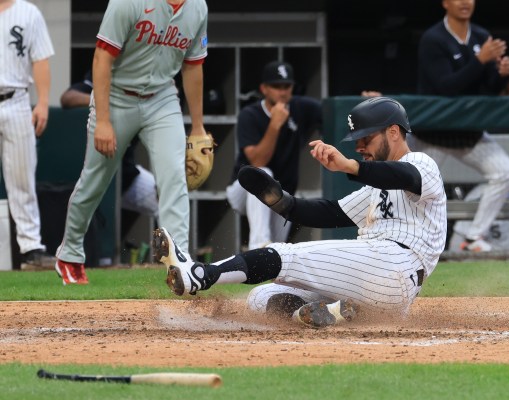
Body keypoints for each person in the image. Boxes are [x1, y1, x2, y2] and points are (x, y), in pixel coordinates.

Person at [153, 97, 447, 328]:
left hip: (396, 265)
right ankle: (323, 315)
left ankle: (200, 274)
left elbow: (403, 176)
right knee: (261, 298)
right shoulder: (376, 185)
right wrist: (283, 203)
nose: (358, 147)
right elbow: (330, 213)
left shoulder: (422, 164)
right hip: (375, 288)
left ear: (393, 132)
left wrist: (348, 166)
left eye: (365, 138)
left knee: (285, 255)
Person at [55, 0, 209, 285]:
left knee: (174, 178)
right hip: (116, 96)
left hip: (162, 98)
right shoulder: (129, 2)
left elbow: (193, 66)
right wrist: (103, 120)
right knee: (95, 181)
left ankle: (179, 265)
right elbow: (102, 58)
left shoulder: (198, 7)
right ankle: (70, 253)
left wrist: (197, 126)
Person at [412, 0, 509, 252]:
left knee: (506, 172)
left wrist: (502, 74)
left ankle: (473, 238)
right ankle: (409, 242)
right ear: (445, 3)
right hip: (432, 134)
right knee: (412, 190)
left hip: (468, 132)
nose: (464, 2)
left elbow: (489, 89)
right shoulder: (433, 39)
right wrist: (480, 60)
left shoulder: (481, 36)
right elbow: (446, 87)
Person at [226, 61, 322, 250]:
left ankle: (264, 259)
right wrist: (275, 125)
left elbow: (333, 112)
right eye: (276, 86)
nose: (282, 91)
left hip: (281, 194)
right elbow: (257, 161)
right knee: (261, 173)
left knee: (276, 251)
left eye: (286, 86)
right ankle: (257, 245)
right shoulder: (250, 114)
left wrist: (365, 101)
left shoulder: (300, 107)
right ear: (264, 88)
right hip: (243, 190)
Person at [60, 71, 159, 235]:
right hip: (94, 175)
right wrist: (103, 103)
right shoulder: (100, 78)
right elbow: (68, 98)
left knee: (167, 202)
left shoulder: (142, 88)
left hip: (126, 177)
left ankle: (173, 256)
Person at [0, 0, 56, 270]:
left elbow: (40, 59)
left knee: (22, 178)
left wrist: (43, 101)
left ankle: (31, 248)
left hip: (17, 99)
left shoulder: (28, 12)